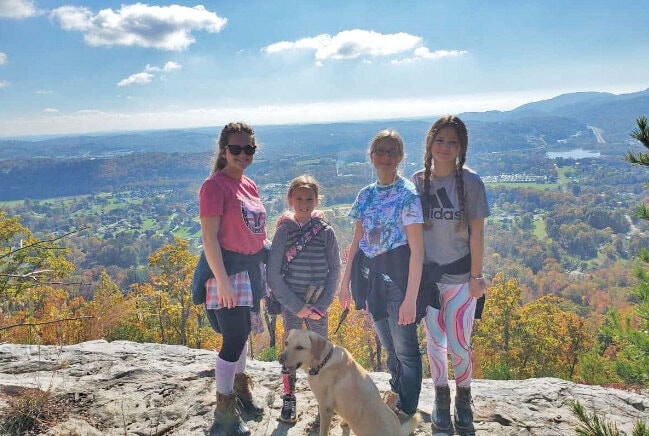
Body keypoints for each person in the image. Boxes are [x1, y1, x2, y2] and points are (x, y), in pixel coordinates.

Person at [338, 129, 424, 420]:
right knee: (390, 348)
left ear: (400, 157)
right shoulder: (366, 195)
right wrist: (345, 284)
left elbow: (417, 250)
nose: (386, 157)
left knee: (406, 351)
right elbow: (356, 241)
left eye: (392, 151)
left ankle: (407, 408)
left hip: (399, 283)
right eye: (381, 151)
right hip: (372, 282)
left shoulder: (408, 194)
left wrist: (411, 298)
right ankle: (397, 392)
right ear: (371, 155)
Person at [411, 115, 489, 434]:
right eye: (440, 140)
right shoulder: (416, 181)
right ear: (430, 143)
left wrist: (476, 276)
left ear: (461, 148)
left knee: (459, 343)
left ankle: (464, 397)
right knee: (434, 341)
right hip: (429, 281)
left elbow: (477, 234)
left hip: (460, 279)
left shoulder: (470, 182)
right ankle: (441, 396)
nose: (445, 147)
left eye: (452, 142)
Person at [199, 122, 267, 436]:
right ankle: (223, 414)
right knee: (233, 340)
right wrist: (222, 280)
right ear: (224, 150)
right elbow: (209, 240)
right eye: (236, 148)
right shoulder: (215, 186)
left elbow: (253, 233)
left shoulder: (248, 184)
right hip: (226, 272)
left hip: (249, 270)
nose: (243, 154)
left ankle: (240, 391)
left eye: (249, 148)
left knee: (241, 337)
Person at [266, 174, 341, 425]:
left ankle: (325, 399)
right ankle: (289, 397)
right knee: (290, 355)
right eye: (299, 198)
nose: (304, 203)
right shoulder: (283, 232)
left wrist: (322, 305)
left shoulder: (326, 232)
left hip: (318, 305)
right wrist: (297, 307)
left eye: (309, 198)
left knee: (322, 353)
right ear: (290, 199)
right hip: (292, 306)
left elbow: (335, 270)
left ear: (317, 200)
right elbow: (273, 274)